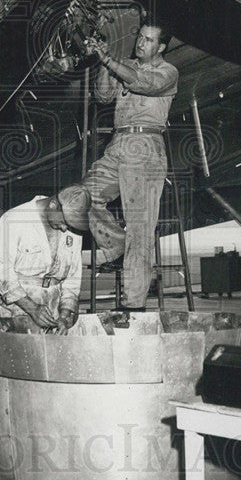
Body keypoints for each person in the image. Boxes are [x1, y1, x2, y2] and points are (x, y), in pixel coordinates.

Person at [76, 20, 179, 311]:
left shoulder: (168, 72)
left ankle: (133, 305)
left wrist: (109, 60)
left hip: (145, 147)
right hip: (118, 144)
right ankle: (116, 245)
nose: (141, 43)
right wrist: (103, 64)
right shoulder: (124, 66)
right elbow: (103, 96)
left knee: (140, 227)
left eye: (149, 40)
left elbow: (145, 84)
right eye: (140, 37)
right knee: (79, 198)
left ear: (161, 47)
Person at [0, 187, 89, 332]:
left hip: (54, 309)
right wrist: (33, 309)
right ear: (53, 205)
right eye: (64, 221)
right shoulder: (14, 220)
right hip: (17, 309)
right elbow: (2, 273)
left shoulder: (72, 230)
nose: (65, 228)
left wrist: (65, 314)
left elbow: (73, 278)